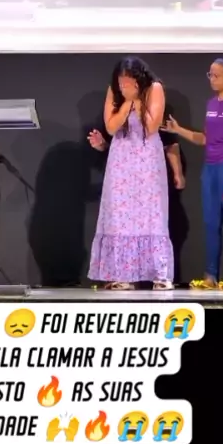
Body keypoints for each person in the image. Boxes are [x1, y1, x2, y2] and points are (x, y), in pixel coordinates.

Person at [88, 57, 174, 290]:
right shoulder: (115, 92)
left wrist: (137, 100)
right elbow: (111, 127)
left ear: (139, 78)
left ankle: (159, 274)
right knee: (120, 215)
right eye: (120, 81)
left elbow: (151, 126)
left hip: (147, 159)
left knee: (151, 213)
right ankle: (122, 274)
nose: (123, 84)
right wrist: (127, 103)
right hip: (121, 159)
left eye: (128, 81)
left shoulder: (154, 88)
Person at [164, 55, 223, 290]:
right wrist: (178, 129)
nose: (211, 79)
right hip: (210, 169)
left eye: (216, 75)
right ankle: (210, 276)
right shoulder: (212, 104)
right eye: (209, 75)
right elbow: (205, 139)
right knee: (210, 223)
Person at [88, 124, 187, 284]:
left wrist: (178, 173)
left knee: (153, 223)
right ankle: (123, 276)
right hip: (122, 176)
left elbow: (170, 143)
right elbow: (111, 144)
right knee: (121, 225)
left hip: (149, 174)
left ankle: (159, 274)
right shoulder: (116, 113)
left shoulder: (155, 111)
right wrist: (102, 144)